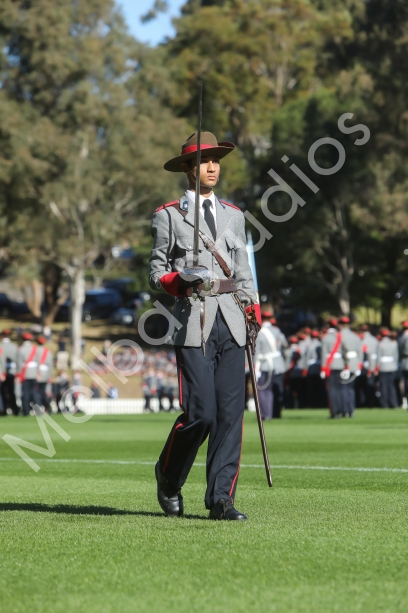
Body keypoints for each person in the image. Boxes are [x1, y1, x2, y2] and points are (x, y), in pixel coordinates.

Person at [149, 131, 260, 521]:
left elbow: (243, 272)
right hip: (192, 320)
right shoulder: (168, 215)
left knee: (230, 414)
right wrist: (178, 281)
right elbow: (155, 273)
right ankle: (168, 476)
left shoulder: (234, 215)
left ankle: (221, 500)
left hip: (232, 319)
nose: (212, 167)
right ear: (187, 168)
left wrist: (254, 311)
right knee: (201, 414)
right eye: (203, 161)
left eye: (216, 161)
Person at [254, 311, 276, 420]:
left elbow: (257, 351)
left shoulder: (260, 332)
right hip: (275, 364)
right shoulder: (276, 330)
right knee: (270, 390)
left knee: (262, 390)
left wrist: (255, 367)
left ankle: (265, 414)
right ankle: (270, 413)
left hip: (263, 364)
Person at [269, 317, 288, 418]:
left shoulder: (263, 331)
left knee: (267, 390)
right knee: (278, 389)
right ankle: (277, 412)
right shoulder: (279, 334)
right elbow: (285, 346)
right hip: (279, 364)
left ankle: (269, 411)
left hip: (267, 364)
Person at [17, 332, 39, 416]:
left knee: (25, 393)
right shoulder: (35, 348)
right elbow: (38, 362)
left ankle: (26, 411)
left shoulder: (20, 349)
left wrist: (19, 375)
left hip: (25, 373)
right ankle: (37, 410)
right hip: (34, 373)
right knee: (34, 392)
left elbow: (19, 363)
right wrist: (38, 373)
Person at [376, 329, 399, 408]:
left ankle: (384, 404)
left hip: (383, 367)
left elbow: (378, 357)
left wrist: (377, 367)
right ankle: (394, 403)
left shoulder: (380, 344)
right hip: (392, 367)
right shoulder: (393, 344)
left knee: (384, 386)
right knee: (391, 386)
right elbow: (396, 357)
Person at [0, 329, 19, 416]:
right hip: (12, 371)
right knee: (11, 391)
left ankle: (3, 409)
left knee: (3, 391)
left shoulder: (1, 346)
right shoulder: (14, 346)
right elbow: (18, 360)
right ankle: (14, 409)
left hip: (1, 372)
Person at [36, 336, 53, 413]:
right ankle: (47, 406)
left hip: (36, 373)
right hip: (45, 374)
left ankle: (40, 406)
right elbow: (50, 365)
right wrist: (50, 376)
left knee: (36, 392)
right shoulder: (48, 352)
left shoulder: (35, 350)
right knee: (43, 391)